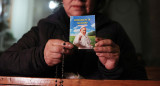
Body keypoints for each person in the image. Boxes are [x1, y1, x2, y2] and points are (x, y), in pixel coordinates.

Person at [0, 0, 147, 80]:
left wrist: (114, 68)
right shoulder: (44, 27)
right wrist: (41, 56)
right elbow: (4, 62)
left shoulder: (114, 30)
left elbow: (141, 79)